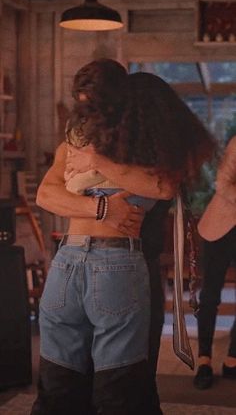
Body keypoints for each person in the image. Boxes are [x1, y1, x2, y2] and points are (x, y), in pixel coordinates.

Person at [31, 59, 215, 415]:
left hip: (74, 260)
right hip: (98, 260)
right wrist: (103, 209)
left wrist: (95, 164)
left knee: (63, 384)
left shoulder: (117, 145)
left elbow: (161, 186)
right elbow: (45, 195)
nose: (85, 113)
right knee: (116, 387)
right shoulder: (104, 146)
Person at [193, 135, 236, 390]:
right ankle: (204, 360)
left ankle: (232, 359)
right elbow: (221, 183)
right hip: (221, 227)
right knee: (210, 296)